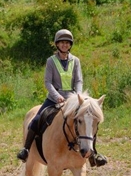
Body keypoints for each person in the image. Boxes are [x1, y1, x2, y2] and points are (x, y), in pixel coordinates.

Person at [16, 29, 107, 167]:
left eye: (67, 43)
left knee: (88, 121)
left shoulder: (75, 61)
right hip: (54, 99)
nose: (64, 45)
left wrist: (78, 96)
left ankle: (93, 154)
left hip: (73, 100)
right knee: (35, 120)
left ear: (70, 45)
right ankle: (26, 149)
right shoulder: (51, 61)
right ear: (57, 45)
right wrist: (57, 96)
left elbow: (78, 80)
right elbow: (48, 82)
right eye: (61, 43)